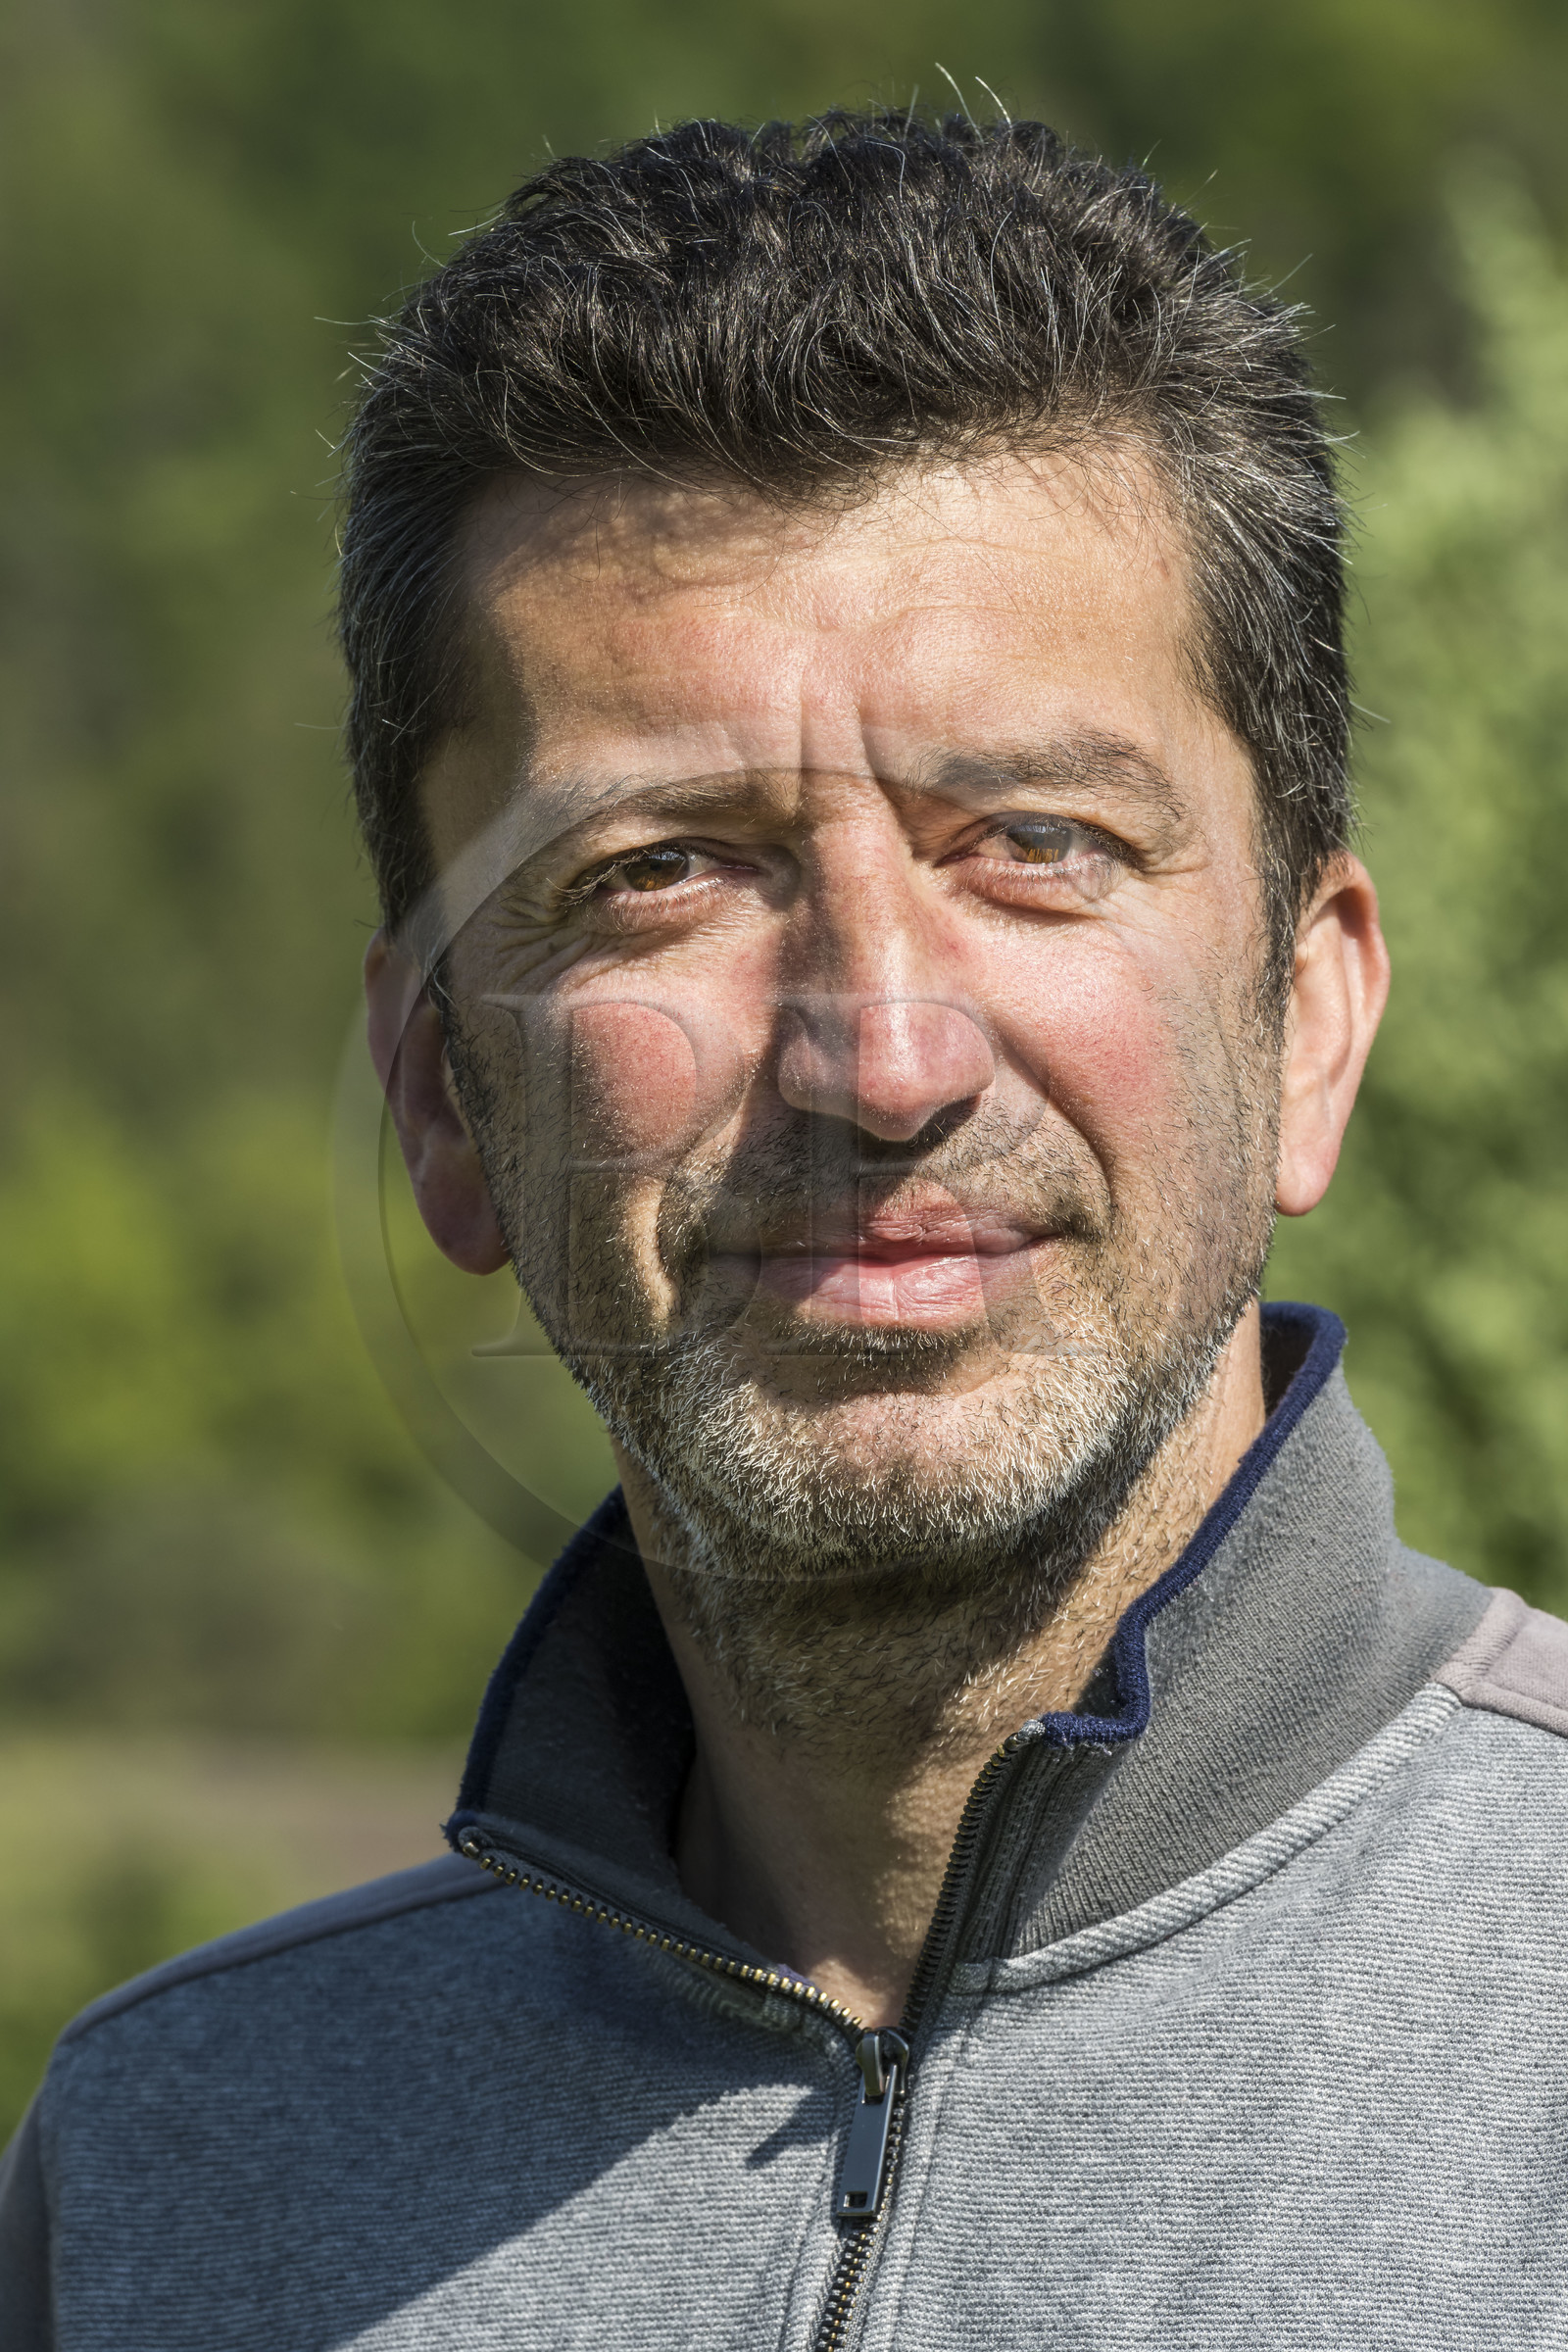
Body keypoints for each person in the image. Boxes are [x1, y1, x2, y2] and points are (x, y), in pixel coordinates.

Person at [4, 107, 1566, 2350]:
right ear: (440, 1092)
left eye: (1031, 840)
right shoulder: (175, 2179)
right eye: (660, 872)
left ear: (1302, 1019)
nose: (881, 1055)